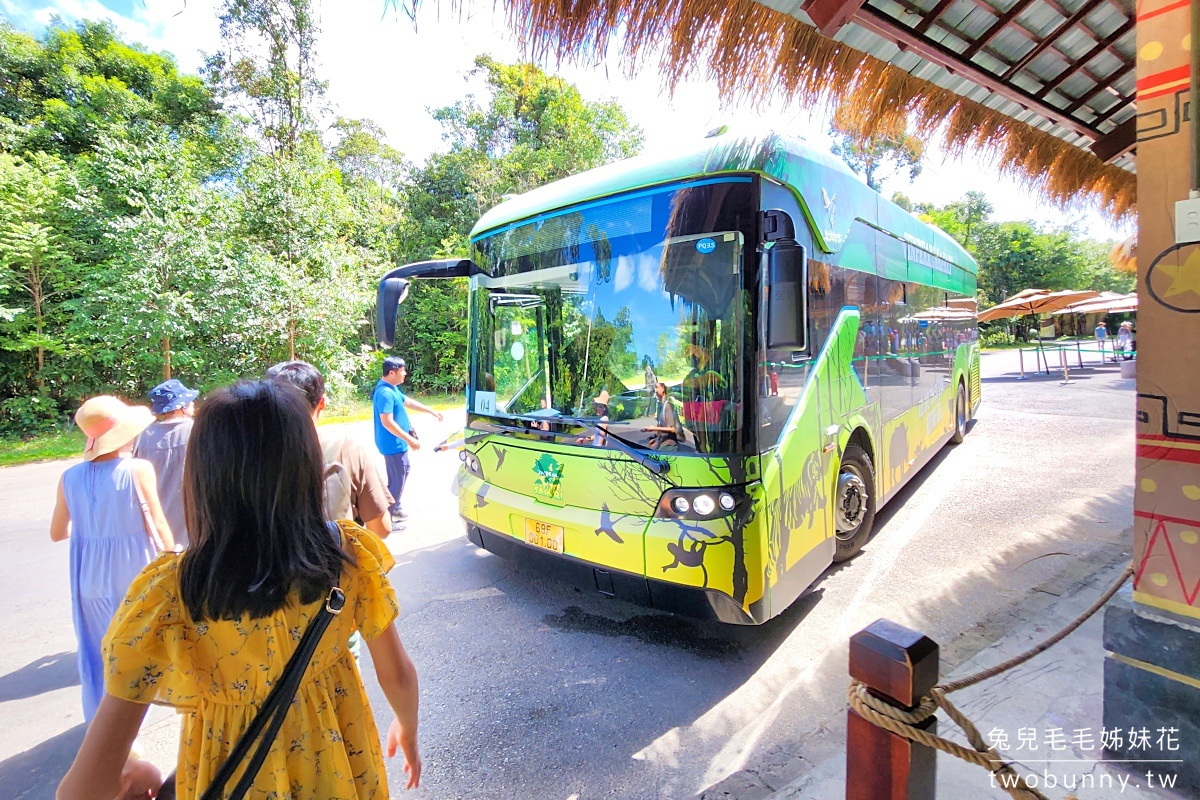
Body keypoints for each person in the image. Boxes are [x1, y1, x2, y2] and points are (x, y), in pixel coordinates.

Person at [56, 380, 421, 800]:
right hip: (336, 766)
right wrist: (406, 728)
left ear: (201, 476)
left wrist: (134, 772)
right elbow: (397, 673)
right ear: (304, 467)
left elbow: (80, 791)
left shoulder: (168, 594)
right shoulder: (346, 555)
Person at [49, 395, 175, 724]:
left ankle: (99, 718)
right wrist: (174, 561)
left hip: (87, 572)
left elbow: (57, 532)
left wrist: (94, 527)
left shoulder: (69, 477)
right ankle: (135, 718)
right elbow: (159, 523)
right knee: (138, 643)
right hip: (133, 567)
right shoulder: (137, 469)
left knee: (94, 648)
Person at [267, 360, 394, 540]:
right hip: (330, 565)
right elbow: (381, 529)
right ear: (322, 402)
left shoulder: (242, 454)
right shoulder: (346, 450)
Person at [373, 356, 443, 530]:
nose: (405, 374)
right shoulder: (385, 393)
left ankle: (396, 507)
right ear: (391, 372)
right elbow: (387, 422)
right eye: (402, 371)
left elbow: (408, 402)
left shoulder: (392, 388)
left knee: (400, 473)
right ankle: (387, 518)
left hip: (396, 443)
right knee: (398, 477)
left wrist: (430, 410)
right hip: (393, 444)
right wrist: (409, 438)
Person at [132, 378, 197, 547]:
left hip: (155, 518)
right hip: (191, 517)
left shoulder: (144, 435)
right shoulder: (197, 431)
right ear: (181, 406)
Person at [642, 382, 683, 449]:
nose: (655, 390)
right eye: (654, 388)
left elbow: (672, 429)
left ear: (663, 388)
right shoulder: (662, 406)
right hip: (663, 444)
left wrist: (653, 428)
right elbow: (662, 425)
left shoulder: (668, 406)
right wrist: (655, 438)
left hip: (669, 446)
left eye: (657, 387)